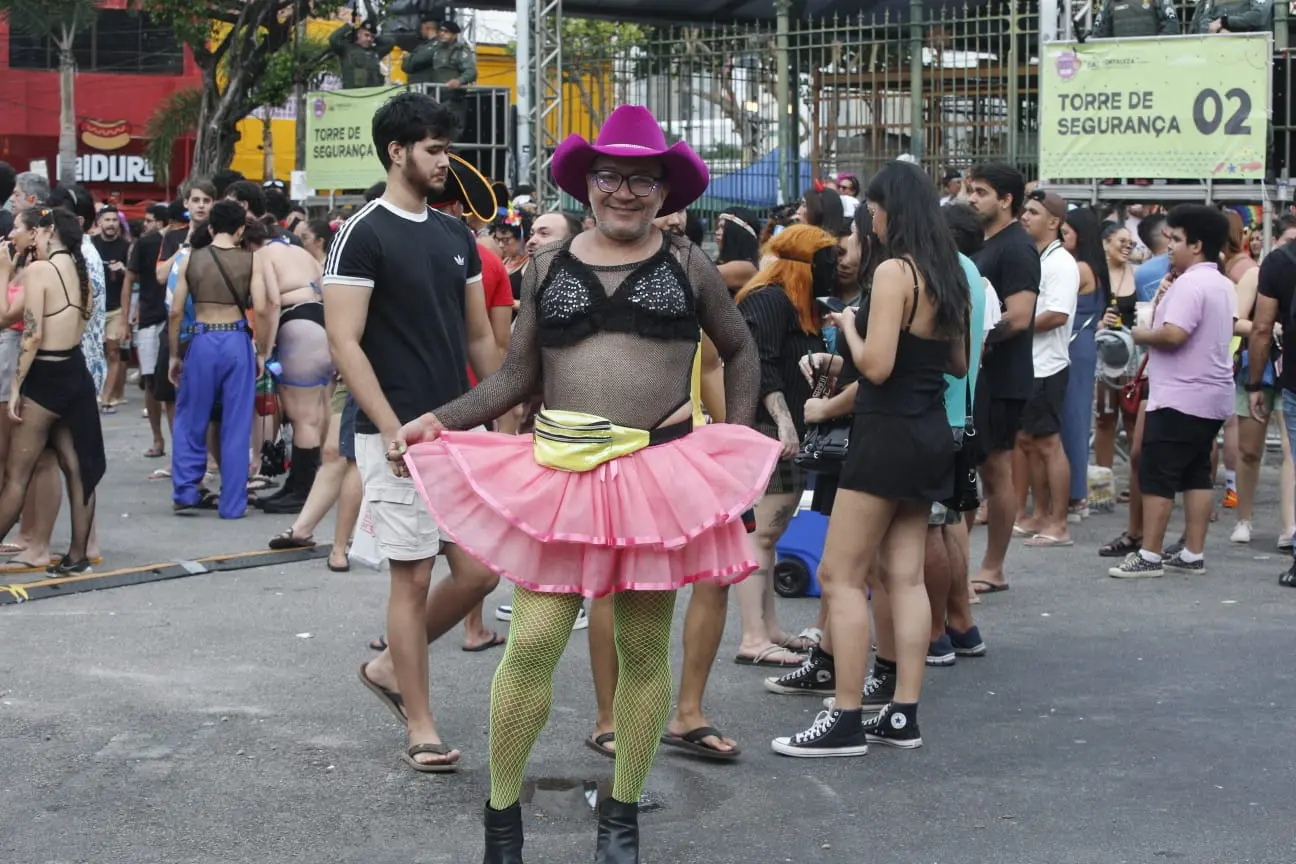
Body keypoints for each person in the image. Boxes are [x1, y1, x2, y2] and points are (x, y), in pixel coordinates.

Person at [395, 103, 772, 862]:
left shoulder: (687, 263)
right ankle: (503, 823)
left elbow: (738, 346)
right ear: (587, 183)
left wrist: (741, 432)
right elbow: (516, 374)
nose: (624, 192)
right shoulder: (546, 268)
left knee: (642, 650)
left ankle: (621, 817)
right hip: (561, 473)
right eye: (610, 176)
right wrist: (440, 418)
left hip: (657, 476)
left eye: (641, 179)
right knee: (530, 642)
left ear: (664, 188)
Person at [325, 93, 501, 774]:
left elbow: (480, 336)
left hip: (455, 430)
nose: (444, 161)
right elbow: (345, 340)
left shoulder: (457, 235)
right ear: (397, 151)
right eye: (433, 149)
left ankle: (388, 667)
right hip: (393, 432)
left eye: (446, 149)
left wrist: (501, 412)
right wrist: (395, 429)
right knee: (413, 576)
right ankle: (421, 724)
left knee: (481, 574)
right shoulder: (362, 231)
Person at [772, 159, 969, 756]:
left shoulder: (894, 274)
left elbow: (877, 366)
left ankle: (847, 716)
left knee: (840, 574)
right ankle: (903, 714)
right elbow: (956, 364)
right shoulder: (949, 274)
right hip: (931, 429)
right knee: (904, 576)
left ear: (888, 211)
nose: (870, 219)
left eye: (873, 210)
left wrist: (848, 330)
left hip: (885, 435)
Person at [1109, 205, 1235, 578]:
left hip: (1181, 394)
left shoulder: (1191, 283)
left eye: (1177, 240)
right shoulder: (1220, 282)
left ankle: (1149, 554)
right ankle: (1192, 552)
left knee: (1158, 473)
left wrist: (1138, 333)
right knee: (1196, 473)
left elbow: (1174, 334)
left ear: (1197, 245)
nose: (1170, 248)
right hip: (1211, 394)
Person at [0, 207, 105, 575]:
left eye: (23, 228)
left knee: (17, 473)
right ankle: (77, 556)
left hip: (45, 374)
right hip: (74, 372)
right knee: (78, 469)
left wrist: (15, 387)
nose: (17, 234)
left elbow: (29, 333)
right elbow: (86, 318)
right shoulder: (81, 269)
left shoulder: (42, 270)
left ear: (45, 231)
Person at [963, 163, 1040, 594]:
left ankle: (993, 567)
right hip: (978, 376)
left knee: (996, 471)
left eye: (981, 192)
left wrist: (978, 337)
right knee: (974, 469)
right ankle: (965, 564)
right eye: (970, 191)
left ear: (1006, 199)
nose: (971, 199)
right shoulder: (983, 243)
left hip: (1004, 377)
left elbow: (1021, 315)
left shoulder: (1016, 248)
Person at [168, 202, 271, 519]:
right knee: (237, 423)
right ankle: (232, 504)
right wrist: (263, 351)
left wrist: (174, 353)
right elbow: (264, 309)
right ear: (241, 229)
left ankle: (186, 490)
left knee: (190, 416)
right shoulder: (251, 261)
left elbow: (175, 310)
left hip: (202, 339)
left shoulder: (190, 259)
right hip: (237, 340)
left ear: (210, 227)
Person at [1015, 190, 1080, 547]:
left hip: (1047, 365)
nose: (1025, 216)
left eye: (1034, 212)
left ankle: (1059, 523)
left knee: (1048, 444)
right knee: (1027, 441)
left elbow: (1057, 315)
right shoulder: (1039, 257)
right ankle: (1039, 514)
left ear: (1053, 222)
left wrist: (1014, 325)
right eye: (1025, 210)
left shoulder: (1060, 263)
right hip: (1031, 363)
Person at [128, 204, 173, 459]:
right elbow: (129, 280)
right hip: (149, 318)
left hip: (172, 319)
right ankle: (157, 438)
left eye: (149, 220)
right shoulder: (144, 245)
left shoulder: (183, 242)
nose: (146, 224)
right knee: (150, 381)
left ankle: (170, 440)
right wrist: (127, 318)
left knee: (168, 383)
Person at [328, 16, 395, 90]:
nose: (369, 39)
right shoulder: (346, 48)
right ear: (358, 34)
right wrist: (349, 25)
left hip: (373, 95)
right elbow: (334, 39)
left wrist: (377, 36)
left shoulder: (375, 51)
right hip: (352, 94)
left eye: (372, 37)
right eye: (366, 35)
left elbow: (390, 43)